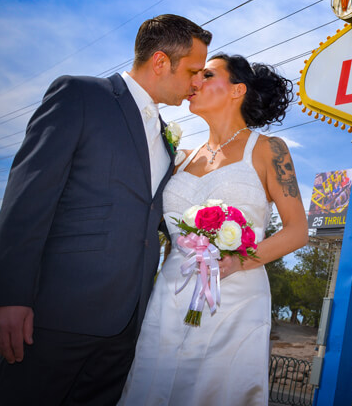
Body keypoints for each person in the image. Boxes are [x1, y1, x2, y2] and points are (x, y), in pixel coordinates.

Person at [0, 14, 212, 406]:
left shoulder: (168, 138)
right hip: (59, 313)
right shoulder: (81, 96)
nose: (196, 82)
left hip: (127, 324)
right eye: (192, 70)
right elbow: (28, 197)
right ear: (160, 62)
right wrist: (9, 296)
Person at [118, 53, 308, 405]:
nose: (195, 82)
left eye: (207, 74)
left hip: (235, 296)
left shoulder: (269, 150)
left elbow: (297, 231)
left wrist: (240, 260)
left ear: (237, 90)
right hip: (172, 294)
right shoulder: (180, 157)